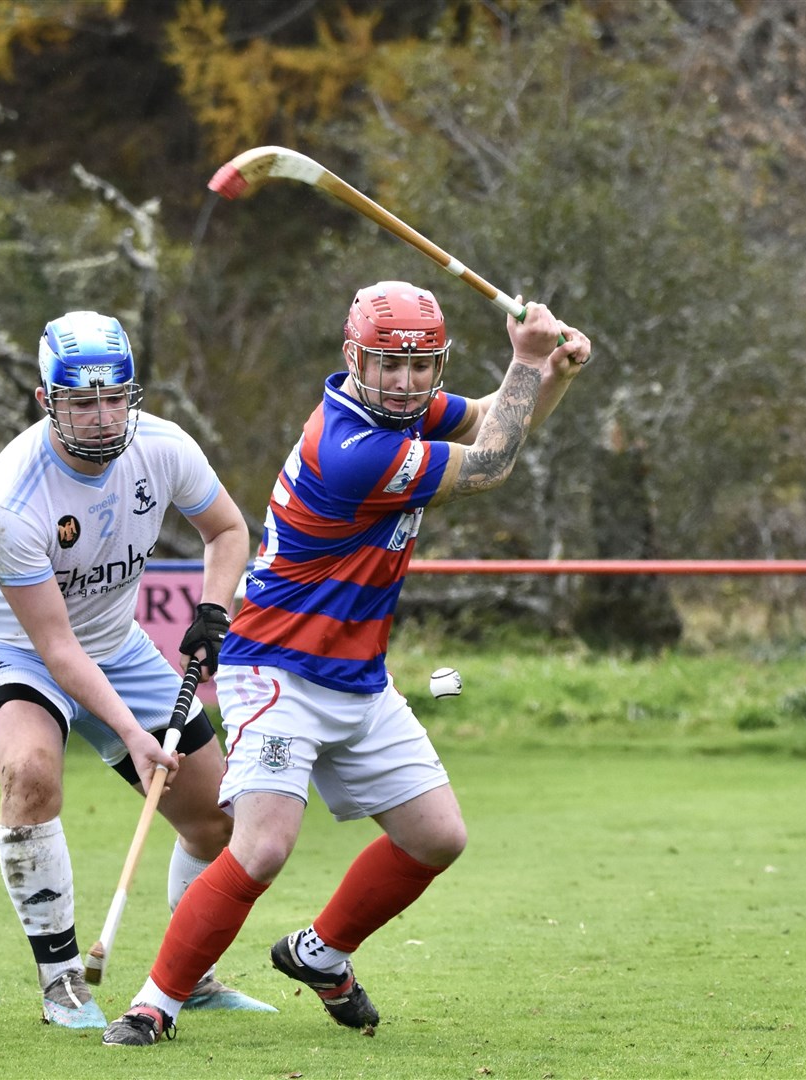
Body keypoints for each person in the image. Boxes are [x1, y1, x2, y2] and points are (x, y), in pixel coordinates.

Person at [102, 281, 592, 1047]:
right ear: (351, 357)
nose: (404, 382)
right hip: (276, 668)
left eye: (420, 366)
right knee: (261, 845)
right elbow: (493, 463)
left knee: (436, 837)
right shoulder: (351, 449)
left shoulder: (404, 410)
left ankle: (320, 950)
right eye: (386, 366)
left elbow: (504, 418)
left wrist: (549, 371)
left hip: (357, 674)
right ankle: (154, 1002)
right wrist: (527, 359)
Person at [0, 309, 275, 1030]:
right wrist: (131, 733)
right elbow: (57, 649)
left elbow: (226, 530)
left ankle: (190, 975)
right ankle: (62, 982)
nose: (101, 418)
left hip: (118, 649)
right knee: (31, 773)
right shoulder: (8, 498)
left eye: (114, 397)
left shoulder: (162, 447)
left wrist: (212, 612)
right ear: (46, 401)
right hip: (14, 654)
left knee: (219, 818)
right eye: (80, 401)